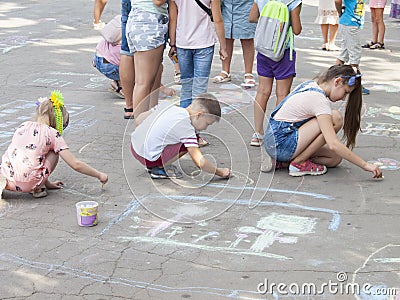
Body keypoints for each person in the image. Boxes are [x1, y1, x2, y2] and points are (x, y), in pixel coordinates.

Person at [263, 65, 382, 178]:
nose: (343, 98)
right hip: (281, 144)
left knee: (334, 158)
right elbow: (333, 144)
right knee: (335, 118)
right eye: (345, 92)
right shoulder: (319, 101)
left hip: (274, 141)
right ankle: (299, 163)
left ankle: (283, 163)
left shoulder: (311, 84)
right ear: (337, 82)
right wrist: (365, 165)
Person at [0, 91, 108, 199]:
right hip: (30, 183)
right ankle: (38, 188)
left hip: (8, 179)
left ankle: (8, 181)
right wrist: (99, 175)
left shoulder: (24, 125)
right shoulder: (53, 134)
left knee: (26, 153)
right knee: (54, 151)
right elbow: (76, 164)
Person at [130, 93, 231, 179]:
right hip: (147, 158)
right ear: (199, 115)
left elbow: (139, 120)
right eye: (207, 123)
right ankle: (158, 167)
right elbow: (200, 162)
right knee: (191, 141)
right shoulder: (186, 127)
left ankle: (154, 158)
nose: (205, 128)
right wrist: (220, 172)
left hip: (134, 146)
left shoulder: (168, 106)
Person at [248, 0, 302, 147]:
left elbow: (252, 17)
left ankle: (257, 133)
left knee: (263, 91)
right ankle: (276, 133)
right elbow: (296, 29)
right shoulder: (293, 1)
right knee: (282, 94)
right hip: (283, 51)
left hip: (264, 49)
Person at [168, 0, 228, 109]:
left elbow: (173, 19)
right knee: (200, 88)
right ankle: (197, 121)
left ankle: (184, 120)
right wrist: (223, 47)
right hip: (204, 42)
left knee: (186, 86)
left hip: (183, 43)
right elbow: (218, 19)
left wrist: (172, 44)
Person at [126, 0, 169, 119]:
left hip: (138, 18)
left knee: (146, 80)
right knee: (143, 82)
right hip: (149, 20)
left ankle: (148, 123)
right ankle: (141, 127)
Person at [212, 0, 257, 88]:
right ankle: (225, 71)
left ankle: (248, 73)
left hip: (246, 5)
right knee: (226, 36)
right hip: (226, 6)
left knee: (247, 38)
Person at [335, 0, 370, 95]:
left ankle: (333, 77)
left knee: (344, 53)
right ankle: (356, 84)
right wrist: (340, 13)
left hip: (352, 22)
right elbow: (337, 1)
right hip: (350, 23)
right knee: (354, 55)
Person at [93, 15, 124, 98]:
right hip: (110, 66)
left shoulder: (119, 19)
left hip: (98, 58)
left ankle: (118, 80)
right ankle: (119, 84)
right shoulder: (135, 28)